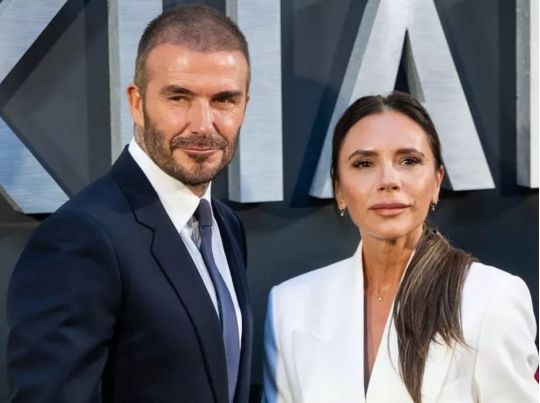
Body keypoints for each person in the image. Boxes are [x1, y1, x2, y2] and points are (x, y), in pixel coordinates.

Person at [7, 4, 252, 403]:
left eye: (224, 100)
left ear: (244, 106)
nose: (203, 124)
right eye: (179, 97)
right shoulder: (81, 237)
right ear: (137, 103)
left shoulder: (225, 225)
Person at [262, 92, 538, 403]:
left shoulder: (491, 298)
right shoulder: (290, 306)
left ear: (437, 181)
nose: (388, 180)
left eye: (409, 161)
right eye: (364, 163)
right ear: (338, 189)